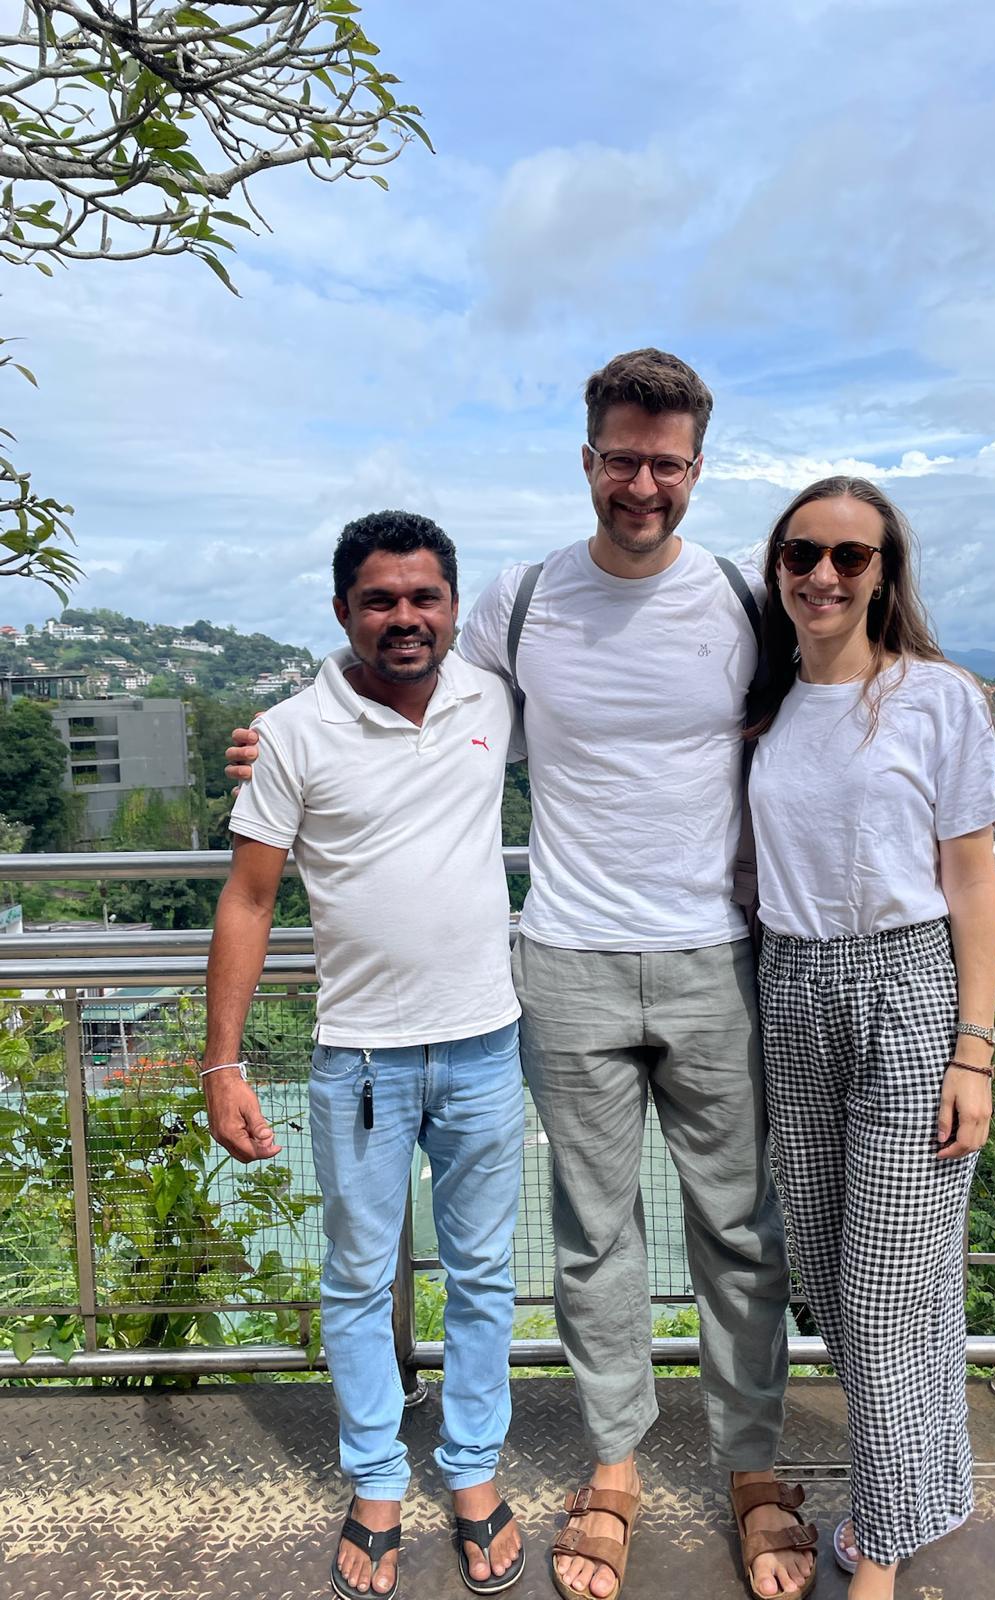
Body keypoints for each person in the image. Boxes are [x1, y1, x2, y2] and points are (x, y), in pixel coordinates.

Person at [232, 351, 816, 1600]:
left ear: (698, 468)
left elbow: (817, 709)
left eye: (667, 463)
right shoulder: (524, 597)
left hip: (715, 953)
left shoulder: (737, 596)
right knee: (594, 1238)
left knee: (738, 1229)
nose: (643, 484)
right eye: (623, 458)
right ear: (588, 459)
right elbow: (409, 680)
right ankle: (614, 1466)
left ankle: (753, 1466)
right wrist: (274, 738)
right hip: (562, 959)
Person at [203, 511, 527, 1600]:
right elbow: (249, 900)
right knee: (355, 1279)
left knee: (484, 1276)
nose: (405, 617)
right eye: (380, 599)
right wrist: (222, 1063)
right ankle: (378, 1480)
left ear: (453, 605)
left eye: (424, 596)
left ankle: (473, 1471)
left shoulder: (491, 698)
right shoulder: (291, 732)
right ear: (343, 610)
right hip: (360, 1060)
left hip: (487, 1042)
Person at [747, 476, 995, 1600]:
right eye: (803, 553)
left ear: (884, 573)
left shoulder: (936, 698)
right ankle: (930, 1485)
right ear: (778, 566)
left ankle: (882, 1555)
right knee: (827, 1266)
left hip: (905, 989)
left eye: (850, 556)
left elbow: (972, 882)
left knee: (889, 1289)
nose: (824, 574)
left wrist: (974, 1049)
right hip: (792, 987)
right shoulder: (766, 703)